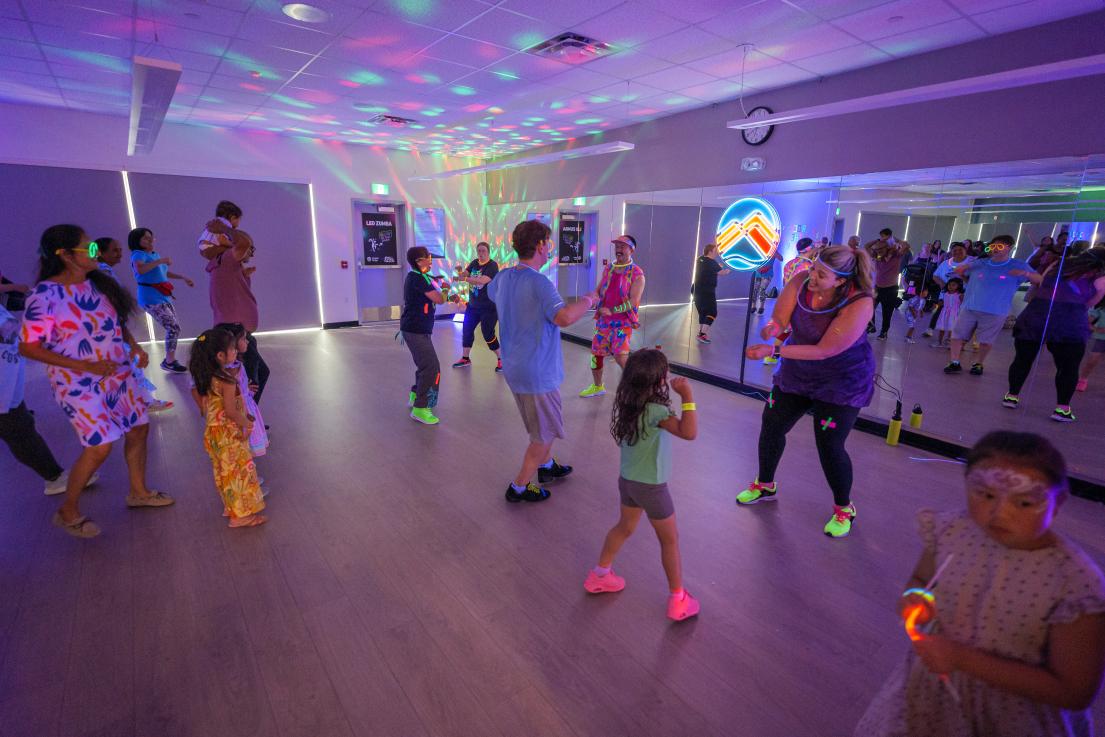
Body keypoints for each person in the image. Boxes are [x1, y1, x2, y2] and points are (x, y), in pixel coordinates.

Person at [855, 431, 1105, 737]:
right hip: (931, 691)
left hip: (1014, 713)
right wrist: (915, 598)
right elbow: (922, 580)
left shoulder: (1075, 585)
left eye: (1024, 502)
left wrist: (962, 659)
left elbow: (1074, 690)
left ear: (1059, 502)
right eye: (985, 495)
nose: (999, 514)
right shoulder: (952, 531)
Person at [20, 225, 174, 539]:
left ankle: (139, 491)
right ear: (63, 254)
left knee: (138, 427)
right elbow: (28, 345)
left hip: (119, 372)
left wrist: (133, 346)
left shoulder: (97, 285)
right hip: (77, 383)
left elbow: (114, 322)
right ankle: (67, 511)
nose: (96, 252)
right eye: (88, 248)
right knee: (99, 445)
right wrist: (82, 365)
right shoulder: (44, 295)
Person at [739, 246, 876, 538]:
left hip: (842, 378)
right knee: (772, 425)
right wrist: (772, 329)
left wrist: (775, 348)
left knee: (829, 443)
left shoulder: (860, 302)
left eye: (821, 274)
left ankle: (844, 508)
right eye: (813, 267)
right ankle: (765, 484)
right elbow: (781, 320)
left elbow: (826, 350)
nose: (811, 276)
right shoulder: (801, 280)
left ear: (841, 281)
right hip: (799, 370)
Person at [583, 348, 700, 622]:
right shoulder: (657, 410)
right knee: (669, 541)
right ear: (658, 381)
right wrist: (688, 398)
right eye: (665, 373)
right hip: (653, 489)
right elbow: (689, 432)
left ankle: (600, 575)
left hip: (628, 482)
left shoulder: (628, 402)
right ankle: (678, 599)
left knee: (624, 527)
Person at [488, 219, 597, 503]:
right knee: (543, 434)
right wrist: (589, 299)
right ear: (539, 245)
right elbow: (564, 318)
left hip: (515, 368)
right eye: (548, 242)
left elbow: (490, 292)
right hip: (536, 371)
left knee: (540, 424)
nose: (550, 247)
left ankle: (547, 467)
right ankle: (520, 486)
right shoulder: (540, 282)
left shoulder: (502, 277)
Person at [0, 303, 99, 496]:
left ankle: (54, 476)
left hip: (7, 385)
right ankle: (53, 477)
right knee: (19, 430)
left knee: (20, 426)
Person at [1003, 250, 1105, 422]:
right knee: (1068, 367)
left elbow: (1041, 284)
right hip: (1069, 322)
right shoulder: (1100, 276)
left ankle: (1011, 396)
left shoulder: (1057, 264)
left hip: (1036, 316)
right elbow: (1091, 302)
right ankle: (1062, 408)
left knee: (1022, 359)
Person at [187, 329, 266, 528]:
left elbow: (208, 404)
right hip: (229, 434)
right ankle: (241, 516)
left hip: (213, 434)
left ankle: (230, 507)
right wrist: (246, 423)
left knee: (224, 472)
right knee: (239, 473)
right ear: (220, 355)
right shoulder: (227, 379)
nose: (235, 352)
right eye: (232, 349)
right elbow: (231, 411)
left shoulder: (207, 377)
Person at [96, 236, 173, 413]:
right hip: (111, 330)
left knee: (129, 365)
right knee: (131, 364)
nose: (119, 254)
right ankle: (141, 402)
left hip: (112, 329)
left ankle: (139, 401)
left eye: (120, 250)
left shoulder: (103, 272)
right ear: (101, 253)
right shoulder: (103, 274)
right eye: (114, 250)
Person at [201, 214, 269, 404]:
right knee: (249, 380)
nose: (250, 252)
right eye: (251, 249)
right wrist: (226, 230)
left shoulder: (228, 265)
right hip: (233, 332)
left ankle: (248, 417)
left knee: (256, 375)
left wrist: (244, 276)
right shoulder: (226, 259)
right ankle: (246, 420)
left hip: (238, 331)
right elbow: (243, 242)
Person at [943, 235, 1030, 376]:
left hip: (995, 310)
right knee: (957, 335)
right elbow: (966, 275)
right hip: (970, 306)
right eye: (992, 246)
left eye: (1000, 246)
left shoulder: (1018, 265)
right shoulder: (981, 262)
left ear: (1010, 248)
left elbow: (1037, 278)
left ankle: (978, 363)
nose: (995, 249)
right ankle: (954, 362)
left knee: (985, 340)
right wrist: (963, 276)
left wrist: (1025, 273)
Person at [580, 235, 645, 398]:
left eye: (623, 246)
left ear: (631, 250)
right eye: (617, 246)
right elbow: (599, 288)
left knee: (620, 357)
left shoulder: (637, 273)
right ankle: (597, 386)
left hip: (622, 322)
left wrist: (613, 311)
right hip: (603, 321)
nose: (618, 249)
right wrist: (593, 297)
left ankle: (637, 389)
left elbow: (633, 302)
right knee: (596, 355)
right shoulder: (609, 268)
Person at [128, 227, 194, 373]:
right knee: (173, 327)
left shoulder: (153, 254)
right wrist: (160, 261)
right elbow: (141, 270)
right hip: (151, 297)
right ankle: (169, 361)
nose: (150, 240)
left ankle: (169, 360)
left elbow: (163, 272)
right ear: (137, 241)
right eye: (145, 238)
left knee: (174, 327)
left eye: (151, 237)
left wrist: (182, 277)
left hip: (163, 296)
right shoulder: (137, 255)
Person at [400, 246, 451, 425]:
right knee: (431, 368)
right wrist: (445, 289)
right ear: (418, 261)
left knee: (424, 365)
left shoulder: (420, 277)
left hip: (417, 329)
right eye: (427, 257)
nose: (431, 260)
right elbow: (438, 299)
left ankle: (415, 395)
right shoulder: (417, 278)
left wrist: (438, 283)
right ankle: (420, 408)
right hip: (415, 330)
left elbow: (430, 289)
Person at [452, 241, 502, 372]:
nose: (481, 253)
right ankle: (465, 358)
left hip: (489, 307)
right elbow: (466, 274)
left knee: (488, 334)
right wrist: (461, 273)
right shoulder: (474, 263)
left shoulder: (492, 265)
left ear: (488, 252)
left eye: (483, 251)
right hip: (473, 306)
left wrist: (464, 279)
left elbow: (482, 280)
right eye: (479, 251)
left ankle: (501, 359)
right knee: (467, 330)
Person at [865, 228, 911, 340]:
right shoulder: (877, 257)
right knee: (869, 308)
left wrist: (892, 238)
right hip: (877, 287)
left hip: (890, 288)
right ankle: (871, 326)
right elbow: (866, 246)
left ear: (887, 246)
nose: (878, 250)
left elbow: (906, 245)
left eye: (881, 248)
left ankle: (884, 332)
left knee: (887, 312)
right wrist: (878, 240)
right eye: (878, 249)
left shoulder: (896, 255)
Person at [925, 242, 973, 337]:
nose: (957, 252)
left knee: (960, 316)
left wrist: (961, 276)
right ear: (951, 252)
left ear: (965, 250)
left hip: (963, 296)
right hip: (946, 295)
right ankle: (931, 329)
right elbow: (935, 275)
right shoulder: (946, 263)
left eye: (960, 250)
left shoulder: (971, 262)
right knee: (940, 312)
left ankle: (958, 336)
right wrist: (943, 285)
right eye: (955, 250)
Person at [692, 242, 730, 344]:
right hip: (706, 291)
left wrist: (717, 266)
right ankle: (702, 335)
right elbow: (721, 272)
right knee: (712, 312)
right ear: (710, 251)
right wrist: (728, 270)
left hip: (696, 290)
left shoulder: (700, 259)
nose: (717, 252)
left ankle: (701, 333)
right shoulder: (711, 262)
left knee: (703, 312)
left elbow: (709, 268)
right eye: (715, 250)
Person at [1076, 295, 1105, 392]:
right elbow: (1086, 321)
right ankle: (1082, 379)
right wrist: (1095, 329)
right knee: (1092, 360)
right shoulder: (1100, 305)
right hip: (1101, 338)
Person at [931, 277, 964, 348]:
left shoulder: (959, 295)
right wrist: (939, 303)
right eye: (949, 285)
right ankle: (939, 341)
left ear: (958, 286)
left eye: (953, 285)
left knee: (951, 329)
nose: (951, 287)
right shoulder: (945, 294)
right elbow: (941, 302)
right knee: (942, 328)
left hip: (954, 314)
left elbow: (963, 304)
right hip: (944, 313)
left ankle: (949, 342)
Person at [751, 248, 782, 315]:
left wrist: (775, 253)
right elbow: (753, 261)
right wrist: (757, 268)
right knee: (755, 290)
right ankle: (753, 306)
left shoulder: (772, 251)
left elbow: (781, 259)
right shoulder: (759, 250)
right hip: (758, 273)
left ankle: (761, 307)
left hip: (768, 274)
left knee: (762, 290)